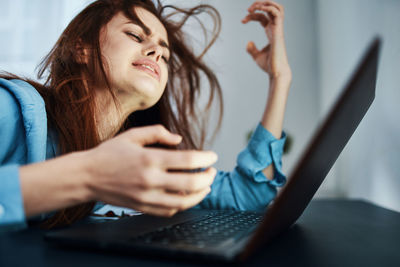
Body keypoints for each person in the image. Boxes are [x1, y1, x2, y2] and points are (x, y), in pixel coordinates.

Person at [0, 0, 291, 232]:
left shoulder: (140, 163)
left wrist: (280, 79)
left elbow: (248, 194)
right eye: (135, 35)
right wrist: (89, 177)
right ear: (81, 49)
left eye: (164, 56)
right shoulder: (10, 109)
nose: (155, 52)